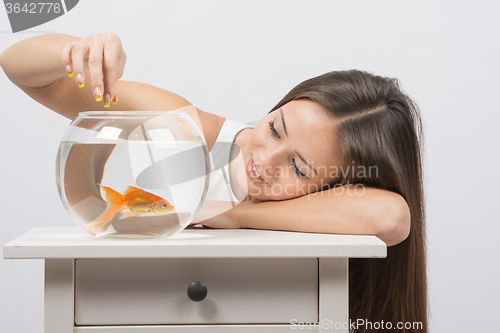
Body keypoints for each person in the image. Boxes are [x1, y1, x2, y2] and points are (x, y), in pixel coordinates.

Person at [0, 32, 427, 332]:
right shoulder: (189, 129)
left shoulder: (337, 207)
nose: (264, 160)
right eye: (275, 128)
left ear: (334, 186)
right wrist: (75, 51)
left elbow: (392, 218)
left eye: (299, 169)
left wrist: (237, 216)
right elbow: (18, 67)